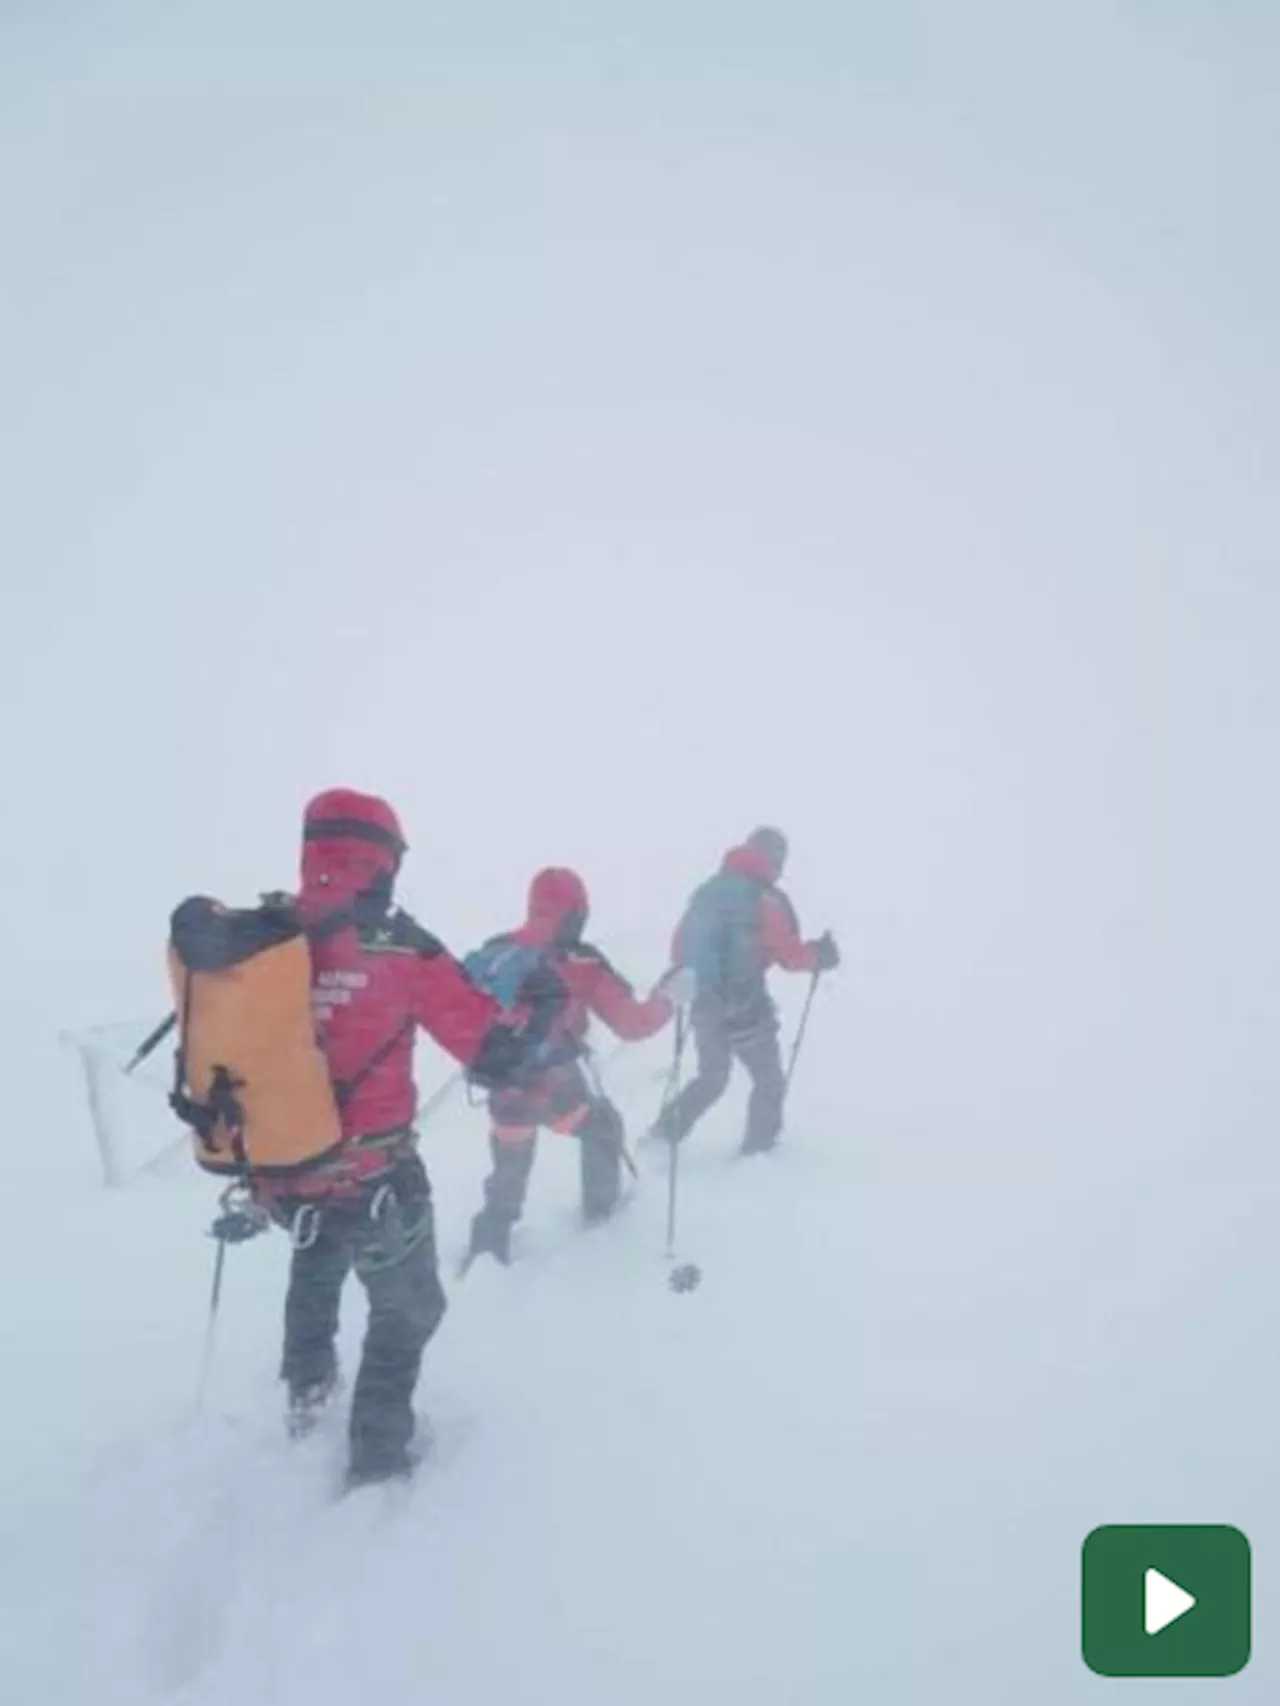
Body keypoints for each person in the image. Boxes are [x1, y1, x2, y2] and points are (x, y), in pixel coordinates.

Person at [202, 789, 563, 1489]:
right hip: (375, 1175)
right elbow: (491, 1052)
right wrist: (538, 1019)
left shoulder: (267, 935)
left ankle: (306, 1398)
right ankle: (376, 1453)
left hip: (284, 1169)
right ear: (383, 860)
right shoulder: (401, 948)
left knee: (316, 1264)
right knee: (409, 1307)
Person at [465, 866, 690, 1266]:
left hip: (503, 1091)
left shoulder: (497, 951)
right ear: (575, 913)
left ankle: (487, 1247)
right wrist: (668, 999)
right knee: (603, 1128)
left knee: (509, 1170)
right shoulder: (580, 963)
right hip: (556, 1089)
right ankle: (600, 1224)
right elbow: (631, 1024)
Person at [653, 826, 838, 1155]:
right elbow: (790, 956)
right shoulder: (765, 898)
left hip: (704, 1002)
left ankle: (662, 1135)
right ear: (775, 859)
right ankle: (758, 1154)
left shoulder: (708, 892)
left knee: (712, 1078)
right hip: (745, 1004)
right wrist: (820, 956)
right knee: (769, 1080)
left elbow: (678, 950)